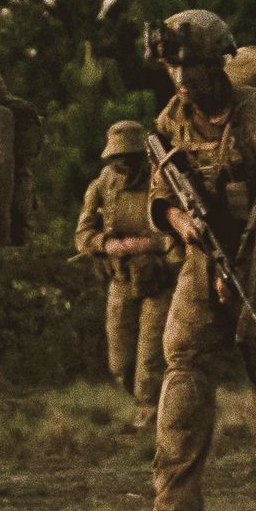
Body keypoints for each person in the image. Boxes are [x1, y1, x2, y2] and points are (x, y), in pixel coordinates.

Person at [123, 9, 256, 511]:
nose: (183, 80)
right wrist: (177, 221)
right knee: (182, 373)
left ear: (218, 66)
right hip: (199, 260)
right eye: (173, 68)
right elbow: (158, 195)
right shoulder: (171, 121)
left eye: (193, 68)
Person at [74, 119, 174, 430]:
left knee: (151, 357)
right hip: (120, 278)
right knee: (121, 361)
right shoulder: (102, 185)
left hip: (158, 278)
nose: (124, 165)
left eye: (130, 157)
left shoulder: (164, 181)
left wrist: (150, 243)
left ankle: (150, 414)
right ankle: (146, 403)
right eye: (118, 159)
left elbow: (181, 230)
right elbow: (83, 234)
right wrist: (109, 244)